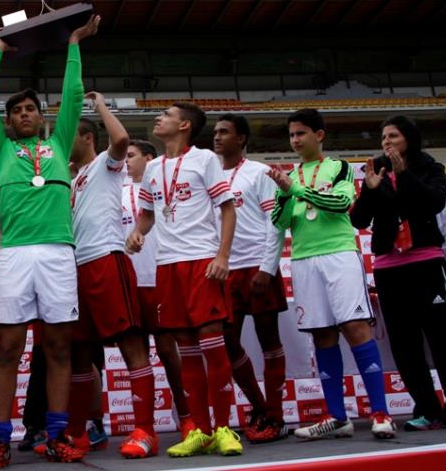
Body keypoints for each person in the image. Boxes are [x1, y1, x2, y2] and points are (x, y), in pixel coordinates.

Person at [0, 15, 101, 468]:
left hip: (58, 253)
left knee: (58, 347)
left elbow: (74, 95)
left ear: (42, 117)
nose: (24, 114)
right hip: (15, 255)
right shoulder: (1, 148)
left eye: (30, 109)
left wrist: (73, 43)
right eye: (17, 111)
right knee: (8, 349)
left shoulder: (60, 143)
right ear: (7, 122)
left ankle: (56, 434)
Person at [266, 108, 395, 440]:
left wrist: (295, 190)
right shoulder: (289, 177)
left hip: (339, 254)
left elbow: (340, 204)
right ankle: (337, 416)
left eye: (301, 133)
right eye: (291, 135)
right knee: (322, 334)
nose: (295, 140)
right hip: (304, 260)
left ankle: (381, 412)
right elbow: (280, 221)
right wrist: (285, 192)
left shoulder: (339, 167)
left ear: (319, 135)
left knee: (355, 328)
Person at [126, 102, 242, 458]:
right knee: (187, 351)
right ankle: (201, 431)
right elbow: (148, 215)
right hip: (167, 266)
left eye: (167, 114)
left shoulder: (204, 159)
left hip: (202, 260)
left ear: (184, 125)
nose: (158, 117)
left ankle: (224, 428)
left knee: (213, 345)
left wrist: (222, 256)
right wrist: (137, 232)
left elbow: (227, 209)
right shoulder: (152, 168)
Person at [350, 115, 446, 430]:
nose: (386, 142)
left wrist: (405, 175)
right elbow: (358, 220)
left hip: (426, 263)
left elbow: (434, 203)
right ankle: (427, 409)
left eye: (393, 136)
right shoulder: (376, 171)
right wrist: (370, 191)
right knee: (405, 344)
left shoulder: (430, 168)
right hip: (389, 267)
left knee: (444, 340)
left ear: (409, 138)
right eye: (383, 137)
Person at [66, 92, 157, 459]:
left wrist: (100, 105)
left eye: (68, 134)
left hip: (106, 259)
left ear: (88, 138)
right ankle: (79, 433)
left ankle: (145, 431)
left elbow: (120, 139)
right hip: (76, 269)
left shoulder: (106, 163)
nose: (60, 139)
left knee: (131, 346)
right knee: (79, 353)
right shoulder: (73, 180)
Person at [212, 114, 289, 443]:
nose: (217, 137)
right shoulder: (210, 175)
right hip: (225, 270)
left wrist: (267, 268)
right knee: (227, 342)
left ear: (242, 138)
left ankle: (277, 417)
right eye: (215, 132)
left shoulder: (259, 172)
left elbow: (276, 222)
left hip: (257, 266)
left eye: (224, 132)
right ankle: (260, 408)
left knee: (268, 339)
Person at [120, 139, 194, 440]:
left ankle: (186, 415)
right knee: (136, 353)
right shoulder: (117, 190)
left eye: (131, 155)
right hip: (129, 281)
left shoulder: (162, 187)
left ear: (148, 158)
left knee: (167, 349)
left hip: (158, 277)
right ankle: (144, 427)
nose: (126, 161)